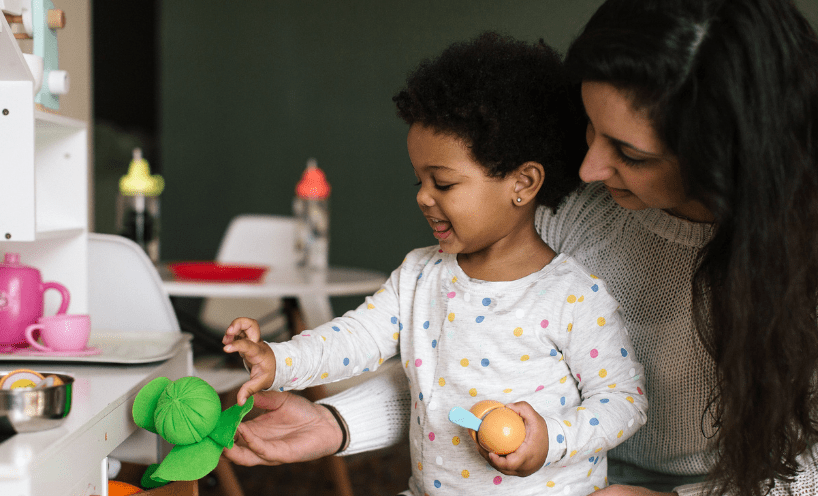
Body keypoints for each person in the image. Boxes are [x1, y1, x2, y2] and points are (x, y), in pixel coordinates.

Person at [224, 0, 818, 495]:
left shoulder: (800, 268)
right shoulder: (563, 215)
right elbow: (462, 359)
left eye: (630, 154)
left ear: (725, 156)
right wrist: (336, 422)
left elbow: (807, 473)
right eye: (588, 127)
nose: (588, 168)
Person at [223, 32, 648, 496]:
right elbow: (356, 338)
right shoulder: (420, 275)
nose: (423, 197)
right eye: (419, 181)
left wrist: (553, 439)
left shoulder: (575, 296)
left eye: (443, 183)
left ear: (522, 183)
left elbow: (623, 403)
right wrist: (278, 360)